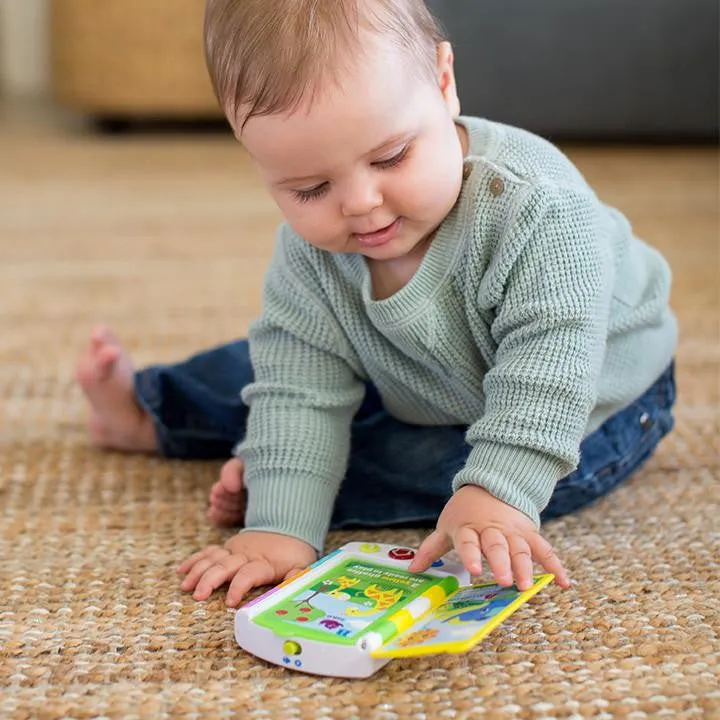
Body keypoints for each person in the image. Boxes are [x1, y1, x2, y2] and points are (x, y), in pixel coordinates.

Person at [76, 0, 677, 608]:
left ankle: (282, 471)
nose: (360, 204)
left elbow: (550, 371)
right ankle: (149, 411)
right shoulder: (313, 255)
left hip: (589, 401)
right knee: (272, 367)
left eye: (390, 158)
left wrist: (497, 493)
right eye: (309, 188)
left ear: (444, 84)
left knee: (428, 469)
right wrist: (279, 526)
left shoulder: (536, 209)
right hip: (419, 370)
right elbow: (297, 384)